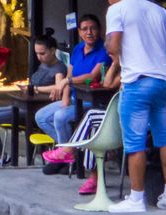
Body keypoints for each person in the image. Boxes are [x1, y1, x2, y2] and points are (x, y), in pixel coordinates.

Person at [102, 0, 166, 212]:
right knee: (165, 139)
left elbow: (113, 46)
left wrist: (110, 45)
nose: (109, 3)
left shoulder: (117, 9)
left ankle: (136, 199)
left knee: (135, 143)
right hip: (164, 82)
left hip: (137, 83)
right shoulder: (160, 11)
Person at [0, 31, 68, 168]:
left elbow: (59, 86)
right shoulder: (43, 64)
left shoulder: (58, 68)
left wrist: (36, 89)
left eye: (42, 53)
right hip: (22, 105)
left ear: (53, 51)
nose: (39, 57)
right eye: (37, 53)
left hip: (34, 110)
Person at [38, 14, 114, 164]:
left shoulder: (104, 50)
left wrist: (66, 81)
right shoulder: (78, 49)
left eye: (93, 28)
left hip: (93, 101)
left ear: (100, 30)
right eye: (84, 29)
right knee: (41, 117)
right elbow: (69, 75)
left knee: (60, 116)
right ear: (79, 32)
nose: (89, 32)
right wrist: (65, 99)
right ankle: (72, 152)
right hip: (74, 98)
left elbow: (92, 76)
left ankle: (67, 155)